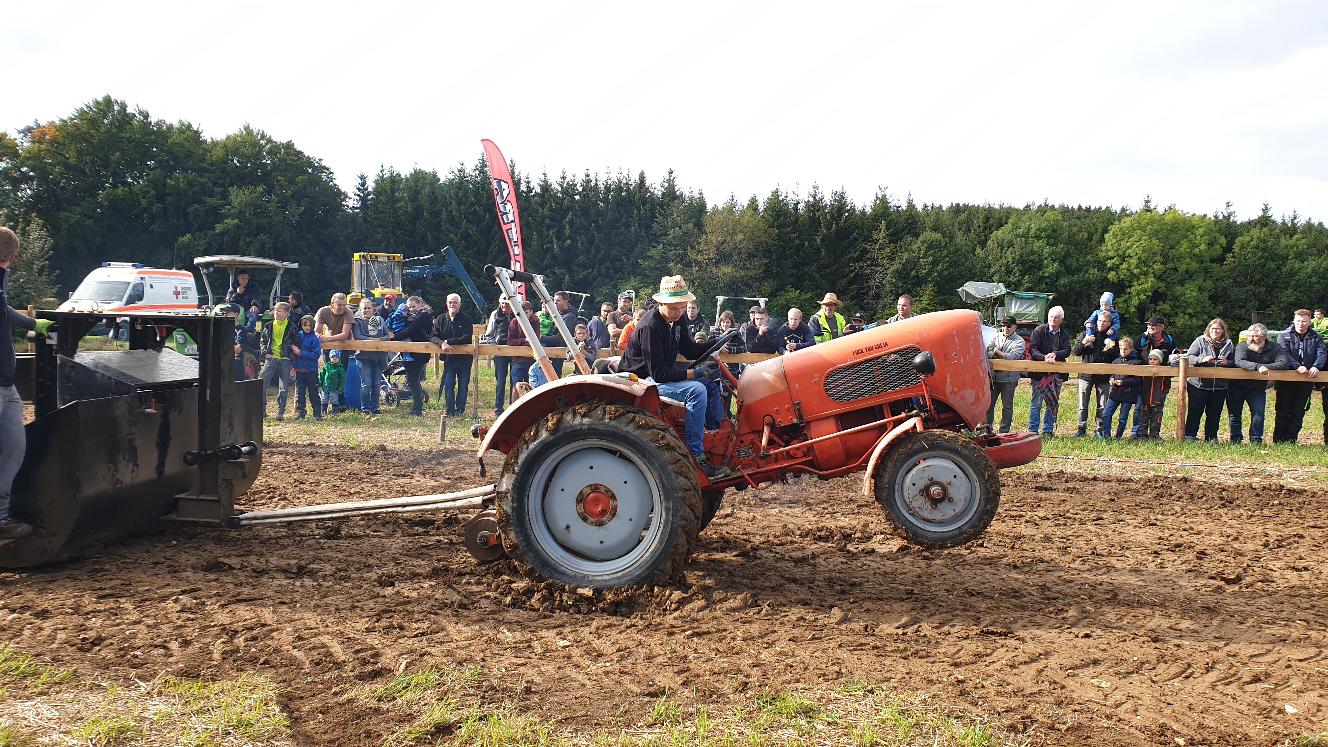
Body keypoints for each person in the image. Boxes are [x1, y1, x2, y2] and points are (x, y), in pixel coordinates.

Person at [618, 275, 730, 478]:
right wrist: (696, 372)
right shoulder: (650, 327)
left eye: (682, 307)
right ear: (661, 303)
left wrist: (717, 341)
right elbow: (659, 373)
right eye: (674, 308)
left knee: (710, 384)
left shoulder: (677, 321)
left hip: (657, 375)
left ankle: (718, 442)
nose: (679, 312)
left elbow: (689, 349)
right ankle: (696, 457)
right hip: (640, 381)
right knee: (697, 390)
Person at [0, 227, 47, 538]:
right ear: (14, 257)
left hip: (6, 384)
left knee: (14, 447)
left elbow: (2, 310)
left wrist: (34, 323)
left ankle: (1, 516)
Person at [1273, 309, 1325, 444]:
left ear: (1309, 322)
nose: (1301, 324)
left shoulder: (1316, 337)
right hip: (1286, 380)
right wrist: (1296, 366)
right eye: (1298, 321)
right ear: (1294, 321)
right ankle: (1279, 440)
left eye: (1304, 321)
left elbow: (1322, 353)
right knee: (1282, 411)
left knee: (1299, 411)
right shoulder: (1284, 336)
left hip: (1306, 381)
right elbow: (1283, 353)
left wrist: (1316, 366)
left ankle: (1291, 440)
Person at [1231, 323, 1287, 445]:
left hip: (1257, 388)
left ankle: (1256, 440)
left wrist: (1265, 367)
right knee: (1235, 414)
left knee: (1259, 413)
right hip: (1237, 386)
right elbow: (1239, 361)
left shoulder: (1275, 347)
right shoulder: (1242, 346)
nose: (1251, 339)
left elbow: (1283, 363)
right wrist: (1258, 367)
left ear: (1264, 337)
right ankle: (1235, 439)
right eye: (1250, 336)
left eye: (1255, 336)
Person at [1182, 318, 1234, 442]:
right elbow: (1189, 357)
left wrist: (1227, 362)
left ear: (1223, 330)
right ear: (1208, 330)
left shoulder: (1229, 344)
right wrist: (1201, 359)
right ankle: (1190, 436)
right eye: (1213, 328)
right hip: (1198, 384)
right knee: (1195, 411)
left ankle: (1211, 438)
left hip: (1220, 386)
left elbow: (1235, 361)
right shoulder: (1200, 341)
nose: (1215, 331)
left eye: (1218, 329)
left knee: (1214, 413)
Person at [1027, 306, 1071, 436]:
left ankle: (1048, 430)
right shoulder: (1039, 331)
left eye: (1056, 318)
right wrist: (1044, 357)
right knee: (1036, 403)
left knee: (1052, 403)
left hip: (1056, 374)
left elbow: (1067, 350)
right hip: (1039, 374)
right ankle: (1033, 431)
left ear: (1061, 320)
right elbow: (1033, 349)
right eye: (1051, 317)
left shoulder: (1064, 334)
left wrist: (1055, 354)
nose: (1053, 319)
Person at [1073, 313, 1118, 437]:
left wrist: (1112, 348)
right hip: (1086, 375)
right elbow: (1076, 352)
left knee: (1102, 405)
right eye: (1100, 320)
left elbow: (1116, 357)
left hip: (1104, 376)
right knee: (1082, 405)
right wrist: (1084, 342)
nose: (1101, 323)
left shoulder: (1112, 337)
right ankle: (1081, 429)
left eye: (1105, 321)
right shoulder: (1086, 333)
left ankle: (1099, 429)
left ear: (1110, 324)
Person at [1130, 316, 1176, 437]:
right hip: (1143, 381)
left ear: (1162, 327)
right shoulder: (1141, 339)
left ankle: (1154, 435)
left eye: (1154, 325)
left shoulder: (1169, 341)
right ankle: (1137, 433)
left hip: (1160, 382)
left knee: (1157, 410)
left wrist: (1167, 376)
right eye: (1149, 325)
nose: (1150, 327)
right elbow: (1133, 355)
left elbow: (1173, 358)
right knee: (1140, 408)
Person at [431, 293, 475, 417]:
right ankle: (450, 411)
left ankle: (460, 410)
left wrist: (448, 341)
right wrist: (441, 343)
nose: (452, 304)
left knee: (463, 385)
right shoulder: (441, 319)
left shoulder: (467, 319)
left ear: (459, 304)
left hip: (464, 358)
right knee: (449, 384)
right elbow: (433, 336)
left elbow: (466, 337)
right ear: (446, 304)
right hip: (449, 359)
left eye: (455, 302)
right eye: (450, 302)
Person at [985, 317, 1025, 433]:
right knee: (989, 405)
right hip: (993, 378)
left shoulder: (1020, 341)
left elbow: (1012, 357)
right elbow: (987, 351)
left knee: (1007, 406)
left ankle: (1004, 431)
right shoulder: (995, 336)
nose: (1005, 328)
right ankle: (987, 430)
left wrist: (996, 351)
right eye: (1003, 325)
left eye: (1008, 326)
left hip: (1009, 379)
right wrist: (999, 354)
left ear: (1015, 327)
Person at [351, 298, 389, 415]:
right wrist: (372, 340)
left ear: (373, 309)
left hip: (379, 356)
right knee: (366, 384)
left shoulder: (379, 319)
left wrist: (379, 339)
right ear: (360, 309)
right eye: (364, 308)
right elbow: (358, 336)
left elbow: (386, 336)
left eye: (368, 308)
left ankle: (375, 407)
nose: (366, 310)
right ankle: (365, 408)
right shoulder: (357, 321)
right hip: (363, 357)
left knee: (376, 384)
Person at [398, 296, 433, 416]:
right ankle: (417, 407)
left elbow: (411, 330)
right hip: (413, 352)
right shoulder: (415, 316)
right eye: (409, 307)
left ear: (420, 304)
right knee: (413, 380)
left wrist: (393, 338)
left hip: (418, 353)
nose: (411, 309)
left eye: (414, 306)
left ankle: (417, 409)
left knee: (413, 380)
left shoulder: (423, 315)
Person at [259, 301, 295, 421]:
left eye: (279, 311)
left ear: (286, 313)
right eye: (275, 311)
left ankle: (280, 412)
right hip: (271, 358)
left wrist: (291, 357)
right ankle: (262, 410)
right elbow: (263, 341)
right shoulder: (269, 325)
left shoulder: (292, 327)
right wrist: (265, 353)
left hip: (285, 360)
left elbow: (295, 343)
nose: (276, 313)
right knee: (262, 383)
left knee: (284, 388)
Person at [1099, 337, 1140, 438]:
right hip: (1115, 392)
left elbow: (1137, 380)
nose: (1123, 351)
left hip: (1128, 393)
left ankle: (1118, 436)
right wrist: (1111, 379)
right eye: (1121, 349)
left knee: (1122, 417)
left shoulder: (1136, 363)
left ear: (1131, 349)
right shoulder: (1116, 361)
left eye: (1125, 349)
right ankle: (1107, 435)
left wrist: (1123, 382)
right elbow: (1112, 374)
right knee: (1106, 413)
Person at [484, 297, 516, 416]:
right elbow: (489, 334)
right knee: (500, 381)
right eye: (502, 303)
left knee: (514, 380)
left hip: (515, 350)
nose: (504, 306)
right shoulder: (495, 314)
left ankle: (513, 407)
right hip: (500, 351)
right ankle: (498, 408)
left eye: (507, 304)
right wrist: (495, 346)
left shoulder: (517, 313)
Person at [538, 291, 581, 377]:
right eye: (554, 300)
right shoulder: (556, 313)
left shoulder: (569, 316)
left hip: (557, 351)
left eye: (558, 300)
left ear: (565, 302)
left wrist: (541, 338)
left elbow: (562, 338)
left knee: (554, 376)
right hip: (549, 348)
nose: (555, 302)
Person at [1133, 348, 1172, 439]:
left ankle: (1154, 436)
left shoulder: (1164, 372)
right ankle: (1142, 435)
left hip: (1158, 400)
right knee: (1143, 419)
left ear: (1160, 360)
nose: (1152, 361)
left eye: (1155, 359)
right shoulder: (1145, 371)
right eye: (1150, 359)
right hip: (1145, 400)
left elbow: (1167, 385)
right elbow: (1139, 383)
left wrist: (1162, 394)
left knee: (1156, 419)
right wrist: (1141, 393)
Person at [291, 315, 323, 421]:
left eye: (309, 325)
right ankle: (301, 412)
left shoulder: (315, 339)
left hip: (311, 370)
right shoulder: (298, 335)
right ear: (301, 325)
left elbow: (315, 355)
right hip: (299, 369)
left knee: (313, 392)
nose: (307, 328)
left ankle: (317, 413)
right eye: (305, 325)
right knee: (300, 393)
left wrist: (301, 353)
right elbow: (292, 347)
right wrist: (294, 365)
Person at [713, 310, 745, 415]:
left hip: (731, 369)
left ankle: (727, 415)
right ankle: (718, 415)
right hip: (716, 368)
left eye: (727, 322)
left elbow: (743, 348)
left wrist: (730, 349)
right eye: (723, 322)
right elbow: (707, 345)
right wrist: (719, 348)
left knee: (728, 393)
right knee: (717, 393)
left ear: (731, 323)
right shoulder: (715, 332)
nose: (725, 324)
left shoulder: (735, 334)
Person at [507, 300, 538, 399]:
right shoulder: (514, 322)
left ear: (531, 312)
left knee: (532, 386)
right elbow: (510, 341)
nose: (524, 315)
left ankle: (532, 406)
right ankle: (514, 406)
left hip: (532, 360)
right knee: (516, 387)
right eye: (522, 313)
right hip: (517, 359)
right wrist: (524, 340)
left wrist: (527, 341)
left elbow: (536, 339)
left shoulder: (535, 321)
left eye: (526, 312)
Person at [319, 350, 347, 415]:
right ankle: (323, 412)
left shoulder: (340, 368)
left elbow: (342, 380)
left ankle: (335, 412)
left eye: (336, 357)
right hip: (325, 387)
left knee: (335, 400)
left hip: (335, 388)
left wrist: (340, 389)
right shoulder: (326, 366)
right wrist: (320, 383)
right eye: (332, 357)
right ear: (329, 358)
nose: (334, 359)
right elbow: (321, 375)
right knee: (324, 399)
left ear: (339, 358)